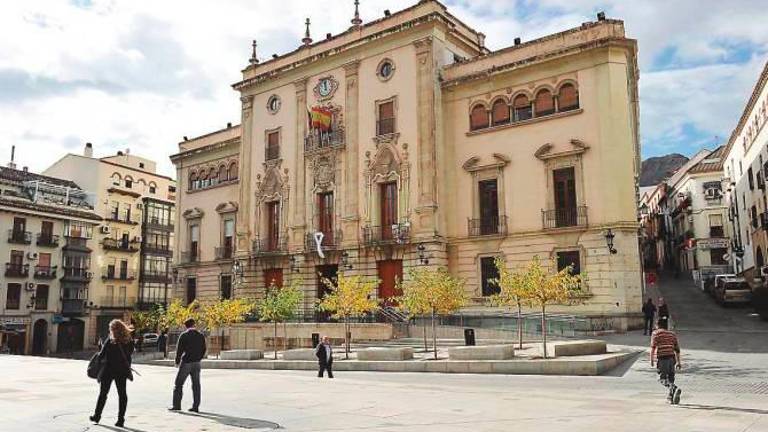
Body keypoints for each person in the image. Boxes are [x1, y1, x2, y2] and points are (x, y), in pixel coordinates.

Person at [90, 319, 135, 427]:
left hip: (108, 370)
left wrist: (100, 349)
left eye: (111, 329)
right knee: (122, 394)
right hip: (122, 371)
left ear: (113, 329)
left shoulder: (110, 340)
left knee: (103, 394)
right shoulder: (129, 340)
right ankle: (121, 420)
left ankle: (97, 415)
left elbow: (101, 356)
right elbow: (130, 354)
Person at [170, 319, 206, 412]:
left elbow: (179, 350)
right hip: (197, 363)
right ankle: (196, 406)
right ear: (194, 325)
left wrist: (177, 361)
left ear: (186, 326)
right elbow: (204, 349)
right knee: (196, 385)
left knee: (178, 384)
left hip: (186, 362)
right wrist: (199, 358)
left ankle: (176, 405)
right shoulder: (200, 335)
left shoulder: (184, 335)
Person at [650, 318, 682, 404]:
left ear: (657, 325)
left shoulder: (656, 333)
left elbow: (653, 347)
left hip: (663, 358)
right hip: (672, 359)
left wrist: (652, 360)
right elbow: (677, 349)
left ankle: (674, 388)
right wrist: (679, 362)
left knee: (662, 379)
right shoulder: (672, 334)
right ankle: (670, 398)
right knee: (671, 378)